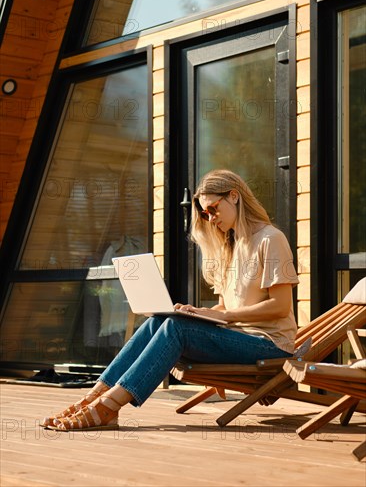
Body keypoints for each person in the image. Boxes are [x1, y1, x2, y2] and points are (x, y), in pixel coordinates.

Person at [41, 169, 299, 431]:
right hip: (238, 338)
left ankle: (108, 406)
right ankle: (93, 398)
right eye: (205, 214)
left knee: (177, 329)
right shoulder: (230, 245)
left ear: (234, 196)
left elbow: (280, 306)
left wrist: (223, 316)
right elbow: (227, 306)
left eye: (213, 209)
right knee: (159, 321)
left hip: (270, 344)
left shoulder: (271, 239)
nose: (210, 219)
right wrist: (197, 312)